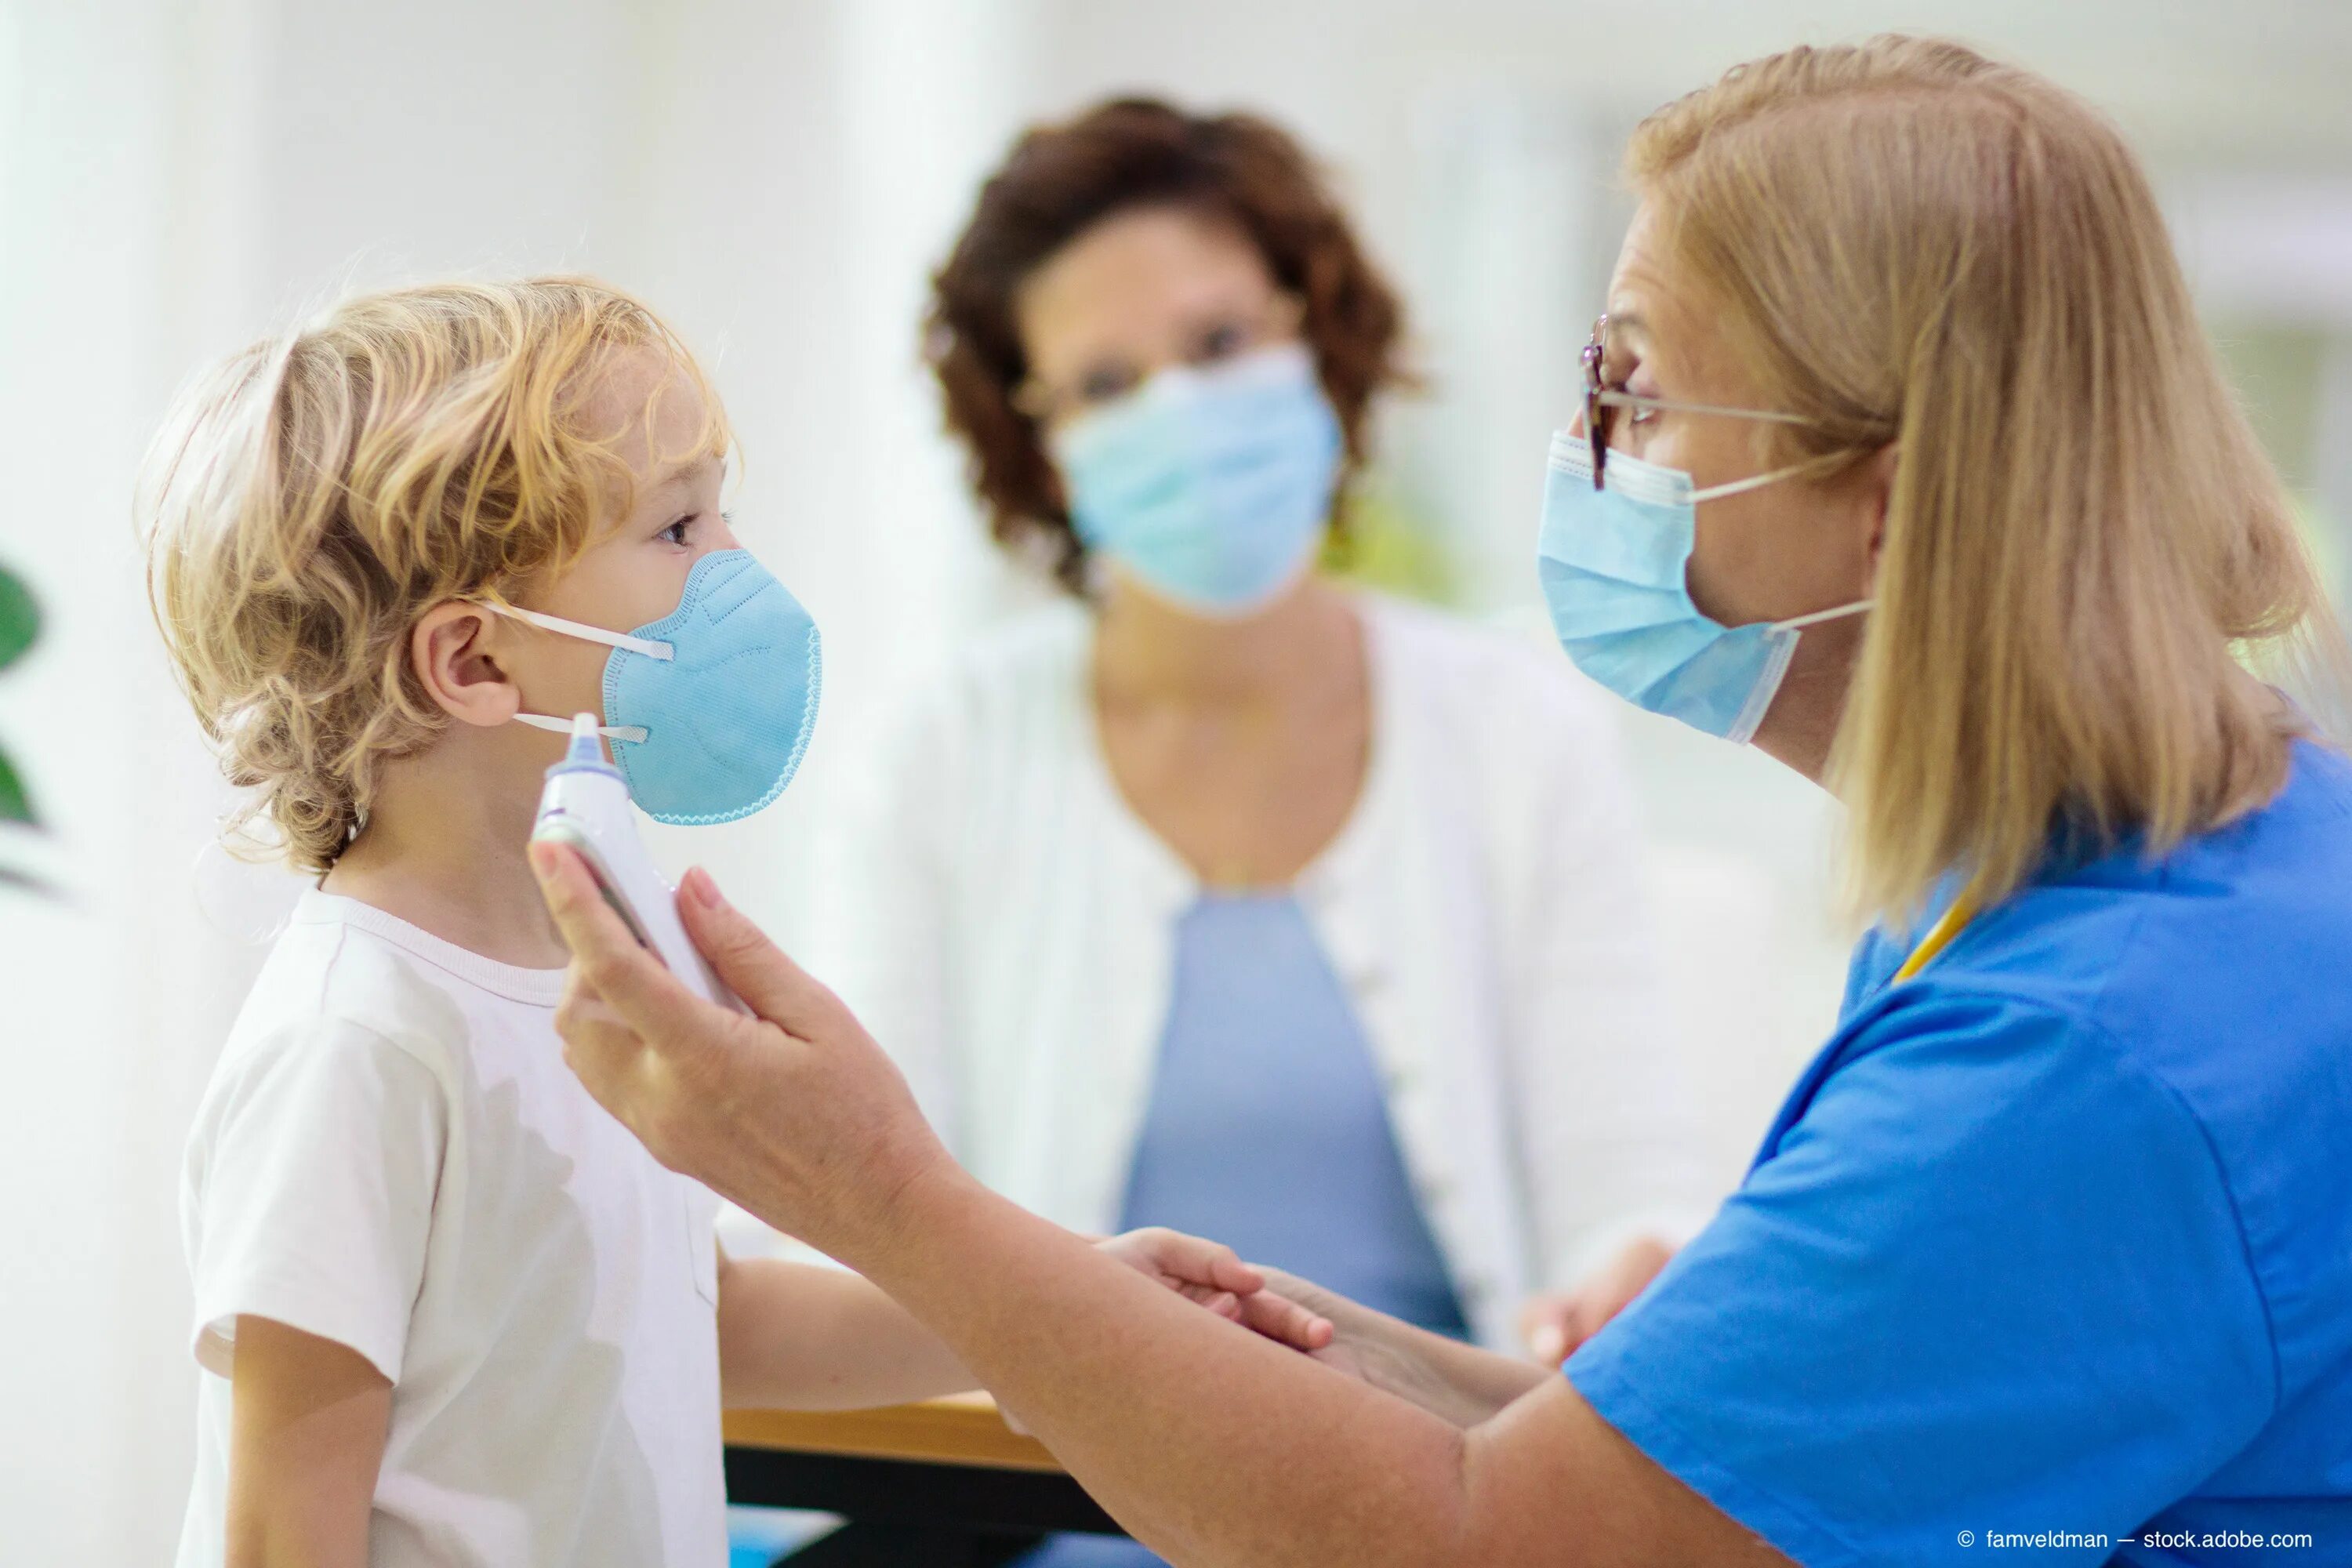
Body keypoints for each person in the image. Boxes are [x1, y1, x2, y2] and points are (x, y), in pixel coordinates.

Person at [536, 36, 2352, 1566]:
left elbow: (1493, 1541)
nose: (1591, 453)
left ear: (1884, 499)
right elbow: (1653, 1450)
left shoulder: (2087, 1050)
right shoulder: (2093, 877)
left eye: (1636, 390)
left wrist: (888, 1198)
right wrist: (1284, 1342)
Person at [143, 278, 1325, 1568]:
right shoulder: (359, 1040)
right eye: (678, 529)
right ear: (475, 662)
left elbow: (710, 1320)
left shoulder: (608, 962)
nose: (737, 572)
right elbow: (277, 1532)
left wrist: (1078, 1302)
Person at [815, 98, 1708, 1376]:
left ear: (1316, 333)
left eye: (1221, 340)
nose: (1180, 411)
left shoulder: (1520, 729)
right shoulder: (941, 751)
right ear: (1042, 444)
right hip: (1025, 1503)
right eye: (1110, 383)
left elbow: (1624, 1191)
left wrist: (1639, 1269)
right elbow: (856, 1222)